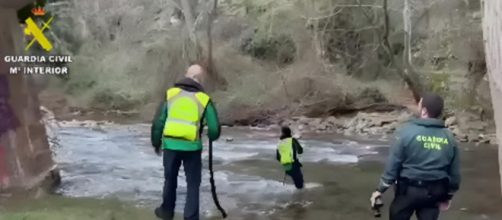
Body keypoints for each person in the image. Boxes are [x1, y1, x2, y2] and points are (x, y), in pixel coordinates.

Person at [370, 93, 461, 220]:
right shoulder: (449, 138)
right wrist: (448, 196)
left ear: (424, 111)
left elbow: (393, 166)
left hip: (407, 192)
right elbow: (455, 174)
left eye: (419, 105)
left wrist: (380, 190)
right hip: (434, 194)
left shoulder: (406, 132)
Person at [151, 64, 221, 220]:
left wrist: (156, 142)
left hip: (170, 145)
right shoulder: (204, 99)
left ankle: (166, 211)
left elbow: (158, 122)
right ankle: (190, 217)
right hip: (192, 147)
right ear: (201, 80)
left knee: (170, 179)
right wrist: (211, 135)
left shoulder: (170, 94)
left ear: (186, 75)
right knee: (193, 184)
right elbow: (215, 129)